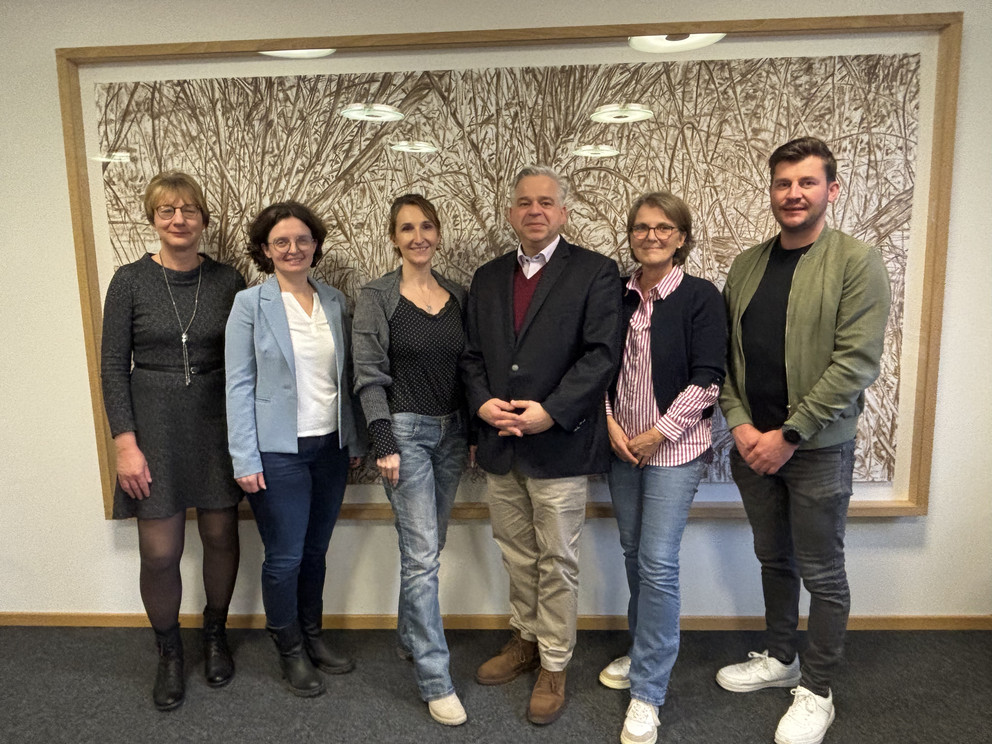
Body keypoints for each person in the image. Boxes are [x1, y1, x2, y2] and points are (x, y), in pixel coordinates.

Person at [716, 137, 891, 744]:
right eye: (783, 183)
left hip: (814, 448)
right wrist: (741, 425)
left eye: (807, 183)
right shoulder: (746, 265)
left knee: (822, 570)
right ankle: (779, 655)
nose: (793, 194)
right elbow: (728, 360)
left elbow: (855, 363)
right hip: (751, 447)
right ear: (771, 192)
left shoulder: (857, 262)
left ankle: (816, 689)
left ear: (831, 190)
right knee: (774, 557)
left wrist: (789, 434)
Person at [461, 165, 622, 724]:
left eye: (547, 202)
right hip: (500, 444)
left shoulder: (597, 273)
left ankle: (554, 663)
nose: (535, 210)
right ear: (511, 213)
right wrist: (482, 403)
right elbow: (473, 355)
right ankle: (524, 639)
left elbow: (601, 355)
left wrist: (549, 413)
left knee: (557, 560)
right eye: (525, 202)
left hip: (560, 445)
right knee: (517, 554)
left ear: (563, 213)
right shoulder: (486, 278)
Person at [100, 171, 245, 711]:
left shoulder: (229, 281)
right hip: (152, 428)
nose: (178, 219)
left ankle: (213, 635)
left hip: (216, 422)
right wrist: (124, 443)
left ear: (204, 219)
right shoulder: (129, 281)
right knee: (160, 552)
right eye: (166, 211)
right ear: (153, 219)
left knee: (221, 536)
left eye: (188, 210)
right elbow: (113, 367)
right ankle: (169, 652)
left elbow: (245, 362)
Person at [597, 192, 726, 744]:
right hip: (621, 446)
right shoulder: (614, 296)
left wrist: (658, 434)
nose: (651, 235)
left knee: (657, 561)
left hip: (673, 449)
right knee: (632, 552)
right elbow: (595, 364)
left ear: (680, 237)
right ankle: (643, 646)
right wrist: (610, 424)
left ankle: (649, 692)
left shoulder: (698, 296)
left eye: (663, 228)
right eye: (642, 227)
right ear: (631, 234)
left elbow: (709, 378)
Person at [225, 201, 363, 697]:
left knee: (316, 552)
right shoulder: (249, 304)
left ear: (315, 245)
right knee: (284, 556)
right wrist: (244, 457)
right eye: (281, 241)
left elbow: (346, 379)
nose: (293, 248)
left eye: (302, 239)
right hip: (276, 452)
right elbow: (238, 384)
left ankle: (313, 636)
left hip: (330, 447)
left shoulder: (334, 301)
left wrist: (355, 440)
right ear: (266, 249)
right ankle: (289, 650)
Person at [352, 194, 471, 726]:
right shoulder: (377, 296)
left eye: (426, 226)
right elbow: (368, 373)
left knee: (429, 545)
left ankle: (407, 636)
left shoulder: (457, 295)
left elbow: (468, 370)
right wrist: (384, 443)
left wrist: (467, 434)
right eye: (406, 228)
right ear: (394, 237)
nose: (418, 236)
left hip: (449, 434)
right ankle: (435, 678)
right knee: (422, 556)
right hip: (404, 433)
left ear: (438, 234)